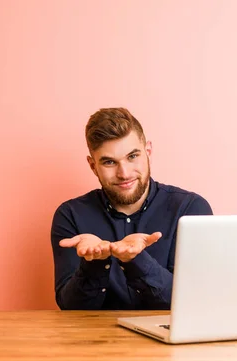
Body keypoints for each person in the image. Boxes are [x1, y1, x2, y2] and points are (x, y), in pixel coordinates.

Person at [50, 107, 213, 310]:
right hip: (97, 340)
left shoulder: (190, 209)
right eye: (109, 162)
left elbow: (193, 300)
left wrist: (136, 260)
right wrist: (94, 263)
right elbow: (70, 307)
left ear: (148, 152)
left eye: (132, 156)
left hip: (168, 340)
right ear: (93, 166)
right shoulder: (70, 215)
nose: (124, 173)